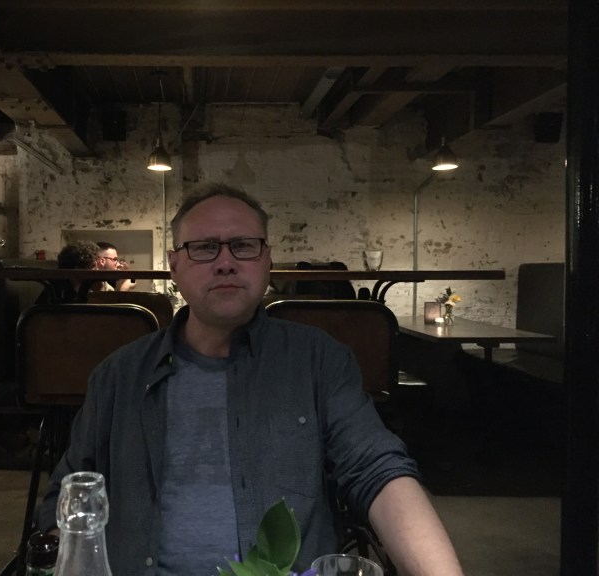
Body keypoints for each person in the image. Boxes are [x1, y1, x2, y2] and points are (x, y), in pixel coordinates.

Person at [36, 183, 464, 576]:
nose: (225, 263)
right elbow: (67, 498)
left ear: (267, 260)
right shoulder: (118, 375)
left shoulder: (318, 361)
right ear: (175, 265)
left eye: (243, 246)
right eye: (204, 248)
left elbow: (376, 470)